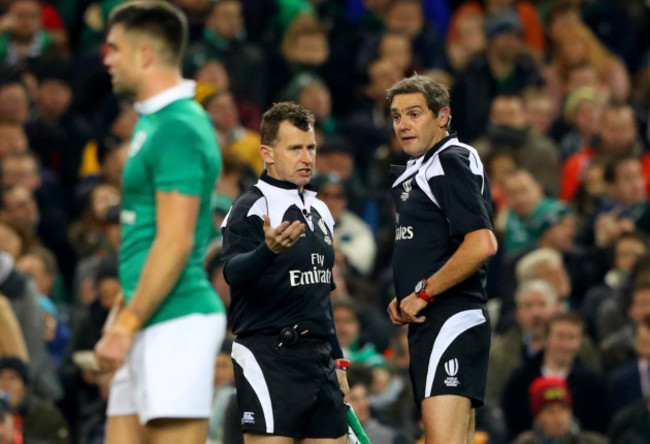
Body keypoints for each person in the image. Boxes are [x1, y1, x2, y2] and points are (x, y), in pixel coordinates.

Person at [94, 2, 226, 443]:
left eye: (113, 48)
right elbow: (148, 233)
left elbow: (175, 241)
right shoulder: (156, 121)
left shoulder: (178, 127)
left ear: (145, 54)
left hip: (178, 319)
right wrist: (124, 314)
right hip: (149, 315)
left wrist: (127, 325)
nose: (105, 58)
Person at [220, 102, 349, 442]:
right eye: (295, 148)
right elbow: (232, 272)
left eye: (311, 148)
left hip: (319, 359)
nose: (306, 157)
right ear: (268, 153)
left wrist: (338, 359)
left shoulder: (321, 210)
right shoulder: (250, 207)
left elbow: (321, 295)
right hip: (269, 356)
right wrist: (268, 251)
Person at [385, 74, 497, 443]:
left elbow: (481, 243)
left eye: (414, 113)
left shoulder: (449, 161)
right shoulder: (423, 168)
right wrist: (406, 292)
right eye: (397, 116)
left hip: (449, 320)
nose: (403, 124)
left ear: (442, 117)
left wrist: (424, 292)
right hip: (436, 321)